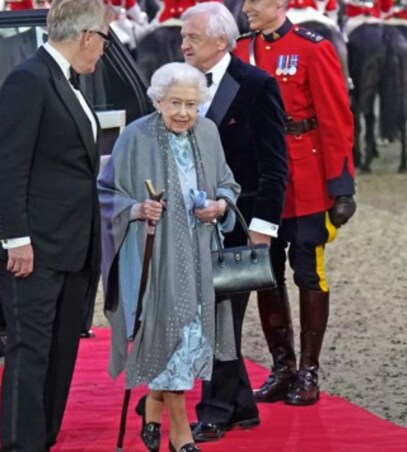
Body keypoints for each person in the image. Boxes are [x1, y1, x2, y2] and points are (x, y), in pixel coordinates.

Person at [0, 0, 110, 449]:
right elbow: (9, 165)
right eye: (105, 39)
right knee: (30, 354)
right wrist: (17, 239)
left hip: (70, 246)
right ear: (87, 36)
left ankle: (42, 440)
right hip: (31, 250)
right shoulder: (28, 80)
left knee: (59, 354)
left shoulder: (66, 82)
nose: (104, 50)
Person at [99, 62, 240, 452]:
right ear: (157, 101)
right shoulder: (135, 137)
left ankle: (153, 411)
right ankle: (181, 436)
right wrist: (138, 208)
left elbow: (228, 182)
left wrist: (220, 205)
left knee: (192, 337)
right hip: (156, 260)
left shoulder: (208, 133)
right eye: (175, 103)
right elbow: (105, 194)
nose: (183, 113)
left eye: (192, 105)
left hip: (200, 256)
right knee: (169, 338)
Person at [235, 0, 356, 406]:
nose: (246, 6)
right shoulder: (240, 49)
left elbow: (336, 117)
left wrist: (342, 184)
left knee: (308, 272)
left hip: (304, 177)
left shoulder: (312, 47)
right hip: (259, 181)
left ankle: (309, 370)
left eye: (254, 0)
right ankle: (282, 369)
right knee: (265, 274)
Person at [179, 2, 288, 442]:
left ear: (221, 42)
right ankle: (241, 405)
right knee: (211, 314)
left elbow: (275, 168)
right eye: (183, 36)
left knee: (218, 318)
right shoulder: (179, 83)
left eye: (193, 37)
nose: (183, 43)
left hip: (241, 225)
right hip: (190, 225)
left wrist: (263, 229)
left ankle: (215, 410)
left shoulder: (257, 86)